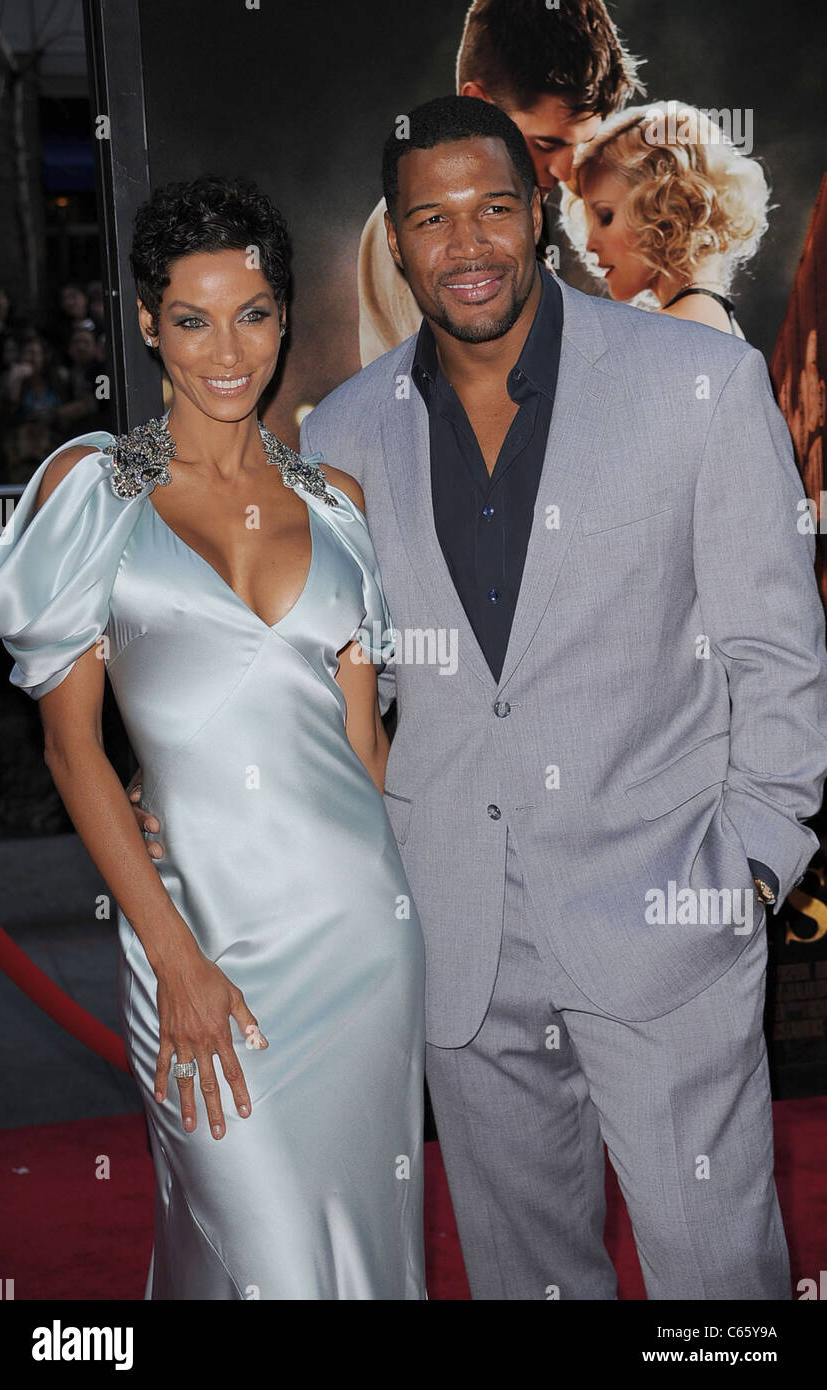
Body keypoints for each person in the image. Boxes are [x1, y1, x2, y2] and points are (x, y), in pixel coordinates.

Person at [296, 95, 824, 1299]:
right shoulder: (343, 430)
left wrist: (749, 863)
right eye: (431, 218)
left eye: (491, 207)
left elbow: (777, 649)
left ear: (538, 212)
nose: (466, 244)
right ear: (397, 236)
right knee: (524, 1275)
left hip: (668, 911)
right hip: (459, 937)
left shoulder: (695, 380)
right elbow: (334, 681)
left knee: (714, 1280)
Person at [0, 175, 426, 1300]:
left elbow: (361, 757)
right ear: (145, 321)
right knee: (256, 1253)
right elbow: (73, 750)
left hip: (358, 945)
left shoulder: (336, 503)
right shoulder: (95, 492)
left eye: (254, 313)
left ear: (284, 315)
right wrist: (175, 957)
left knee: (360, 1255)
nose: (227, 350)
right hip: (199, 941)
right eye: (191, 317)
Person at [357, 0, 642, 365]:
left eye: (581, 145)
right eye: (546, 144)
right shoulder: (425, 232)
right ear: (478, 105)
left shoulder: (515, 210)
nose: (567, 172)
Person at [560, 102, 771, 337]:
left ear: (668, 212)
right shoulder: (714, 319)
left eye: (606, 217)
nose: (590, 244)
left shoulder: (662, 333)